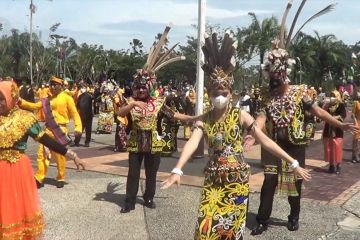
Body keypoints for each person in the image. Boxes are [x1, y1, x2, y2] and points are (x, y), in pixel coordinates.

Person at [161, 32, 311, 240]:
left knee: (231, 230)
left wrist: (292, 162)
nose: (219, 97)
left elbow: (265, 140)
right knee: (206, 227)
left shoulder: (240, 115)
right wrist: (177, 169)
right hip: (213, 180)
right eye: (215, 93)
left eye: (224, 92)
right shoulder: (205, 119)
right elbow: (193, 141)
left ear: (231, 92)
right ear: (208, 93)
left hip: (237, 180)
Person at [245, 40, 357, 235]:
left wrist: (339, 124)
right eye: (272, 84)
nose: (275, 88)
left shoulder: (301, 93)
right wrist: (253, 134)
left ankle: (293, 216)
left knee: (294, 184)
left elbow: (319, 113)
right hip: (272, 146)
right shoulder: (266, 95)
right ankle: (262, 220)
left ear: (285, 78)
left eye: (278, 84)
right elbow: (261, 118)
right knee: (269, 181)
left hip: (294, 145)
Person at [117, 25, 194, 213]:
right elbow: (119, 113)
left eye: (144, 87)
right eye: (139, 87)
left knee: (151, 174)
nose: (141, 90)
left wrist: (195, 117)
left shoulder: (159, 103)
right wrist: (133, 105)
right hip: (135, 143)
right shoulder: (130, 101)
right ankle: (129, 201)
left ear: (150, 87)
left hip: (154, 145)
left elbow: (174, 115)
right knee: (133, 173)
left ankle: (149, 198)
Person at [0, 80, 85, 239]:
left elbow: (45, 139)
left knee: (13, 208)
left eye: (1, 98)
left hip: (15, 169)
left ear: (11, 97)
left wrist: (71, 154)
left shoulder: (24, 118)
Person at [19, 76, 82, 188]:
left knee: (60, 156)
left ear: (61, 86)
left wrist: (78, 127)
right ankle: (39, 177)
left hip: (60, 130)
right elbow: (34, 106)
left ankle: (61, 177)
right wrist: (20, 102)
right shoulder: (46, 99)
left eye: (55, 84)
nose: (52, 87)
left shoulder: (67, 98)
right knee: (42, 155)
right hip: (48, 130)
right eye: (51, 84)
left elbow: (75, 113)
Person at [322, 90, 347, 174]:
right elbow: (322, 115)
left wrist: (332, 118)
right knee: (329, 148)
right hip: (328, 129)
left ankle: (338, 165)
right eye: (331, 95)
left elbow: (343, 115)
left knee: (337, 147)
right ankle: (331, 165)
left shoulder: (341, 105)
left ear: (337, 96)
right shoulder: (327, 105)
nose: (332, 97)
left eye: (334, 96)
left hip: (337, 130)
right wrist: (325, 106)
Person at [74, 83, 94, 147]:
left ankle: (87, 142)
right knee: (80, 129)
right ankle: (77, 141)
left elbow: (94, 97)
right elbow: (77, 106)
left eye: (83, 87)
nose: (82, 89)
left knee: (88, 129)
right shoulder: (80, 96)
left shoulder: (89, 95)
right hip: (81, 115)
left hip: (88, 115)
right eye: (81, 88)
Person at [113, 86, 128, 152]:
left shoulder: (124, 97)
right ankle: (118, 146)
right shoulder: (116, 96)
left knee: (123, 131)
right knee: (119, 131)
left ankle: (123, 146)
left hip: (125, 117)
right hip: (120, 116)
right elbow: (118, 104)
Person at [352, 91, 360, 163]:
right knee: (356, 140)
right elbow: (353, 115)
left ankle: (357, 155)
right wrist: (355, 123)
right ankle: (354, 156)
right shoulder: (356, 103)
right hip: (357, 123)